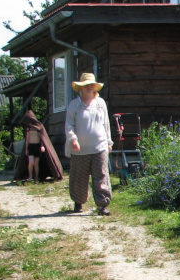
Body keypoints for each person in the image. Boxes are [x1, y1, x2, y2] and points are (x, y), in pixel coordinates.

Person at [65, 73, 113, 215]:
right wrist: (73, 139)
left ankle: (102, 205)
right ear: (81, 87)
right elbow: (69, 125)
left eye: (91, 84)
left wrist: (109, 142)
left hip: (100, 146)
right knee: (79, 177)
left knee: (101, 176)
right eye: (86, 85)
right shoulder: (75, 105)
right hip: (80, 149)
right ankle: (78, 203)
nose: (89, 87)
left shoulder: (101, 103)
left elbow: (106, 124)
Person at [14, 110, 63, 183]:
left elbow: (42, 137)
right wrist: (26, 149)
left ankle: (36, 177)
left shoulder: (38, 126)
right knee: (31, 162)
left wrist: (42, 146)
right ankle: (30, 176)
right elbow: (27, 139)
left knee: (36, 164)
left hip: (37, 146)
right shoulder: (28, 128)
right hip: (30, 146)